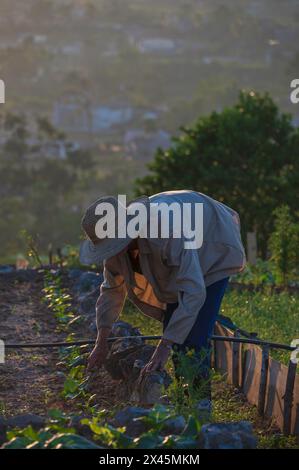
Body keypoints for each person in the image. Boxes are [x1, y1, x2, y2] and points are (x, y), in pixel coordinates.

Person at [80, 190, 245, 399]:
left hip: (213, 242)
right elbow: (111, 291)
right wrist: (101, 342)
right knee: (175, 331)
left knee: (193, 338)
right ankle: (184, 400)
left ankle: (198, 407)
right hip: (183, 256)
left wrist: (164, 345)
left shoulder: (166, 233)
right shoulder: (115, 253)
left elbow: (193, 291)